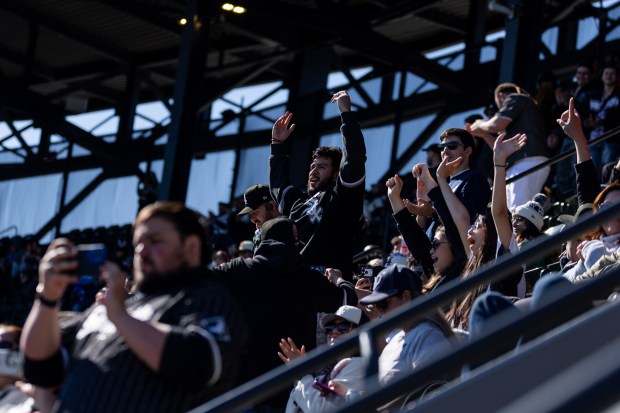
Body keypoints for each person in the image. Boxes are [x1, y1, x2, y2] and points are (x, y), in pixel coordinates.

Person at [20, 202, 247, 413]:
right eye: (138, 243)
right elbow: (40, 369)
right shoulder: (116, 304)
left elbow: (199, 363)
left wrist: (120, 316)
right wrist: (48, 297)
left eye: (155, 241)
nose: (141, 251)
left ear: (191, 247)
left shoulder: (205, 296)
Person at [212, 217, 357, 411]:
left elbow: (198, 283)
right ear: (294, 246)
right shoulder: (310, 280)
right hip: (289, 394)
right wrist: (338, 280)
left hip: (241, 390)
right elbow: (348, 299)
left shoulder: (240, 269)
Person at [270, 91, 367, 280]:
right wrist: (277, 144)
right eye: (312, 166)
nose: (313, 171)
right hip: (295, 284)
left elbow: (355, 159)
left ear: (337, 173)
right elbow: (278, 187)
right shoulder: (298, 202)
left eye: (322, 167)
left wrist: (346, 114)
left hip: (328, 288)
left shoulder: (342, 197)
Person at [359, 265, 453, 410]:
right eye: (377, 305)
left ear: (406, 296)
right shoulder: (396, 337)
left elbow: (428, 398)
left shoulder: (428, 336)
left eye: (383, 304)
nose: (380, 311)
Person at [468, 83, 550, 211]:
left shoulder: (515, 98)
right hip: (523, 163)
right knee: (512, 212)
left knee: (518, 210)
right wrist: (483, 134)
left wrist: (481, 124)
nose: (500, 109)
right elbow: (500, 148)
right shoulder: (522, 115)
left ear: (501, 96)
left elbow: (496, 125)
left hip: (526, 161)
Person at [278, 305, 366, 413]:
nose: (334, 331)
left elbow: (322, 410)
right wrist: (298, 378)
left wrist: (302, 374)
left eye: (343, 327)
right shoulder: (329, 375)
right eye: (330, 327)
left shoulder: (360, 364)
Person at [586, 63, 620, 170]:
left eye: (612, 74)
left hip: (611, 139)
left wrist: (602, 122)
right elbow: (585, 112)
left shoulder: (619, 95)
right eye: (606, 73)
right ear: (602, 76)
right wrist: (586, 122)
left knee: (607, 170)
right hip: (593, 138)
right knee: (592, 171)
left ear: (617, 76)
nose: (609, 76)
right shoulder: (593, 93)